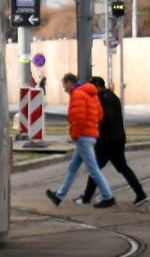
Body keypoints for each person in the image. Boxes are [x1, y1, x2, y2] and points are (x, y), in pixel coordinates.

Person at [48, 72, 115, 208]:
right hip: (90, 135)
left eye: (64, 85)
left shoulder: (78, 95)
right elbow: (100, 115)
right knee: (73, 168)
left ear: (69, 82)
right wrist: (91, 127)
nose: (64, 89)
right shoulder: (92, 94)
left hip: (83, 137)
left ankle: (108, 196)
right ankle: (59, 196)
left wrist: (75, 134)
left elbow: (78, 118)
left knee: (93, 169)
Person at [89, 76, 148, 205]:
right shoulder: (108, 96)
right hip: (114, 138)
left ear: (98, 86)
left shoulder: (105, 98)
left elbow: (107, 118)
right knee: (120, 167)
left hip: (109, 140)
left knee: (95, 167)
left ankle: (89, 197)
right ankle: (140, 193)